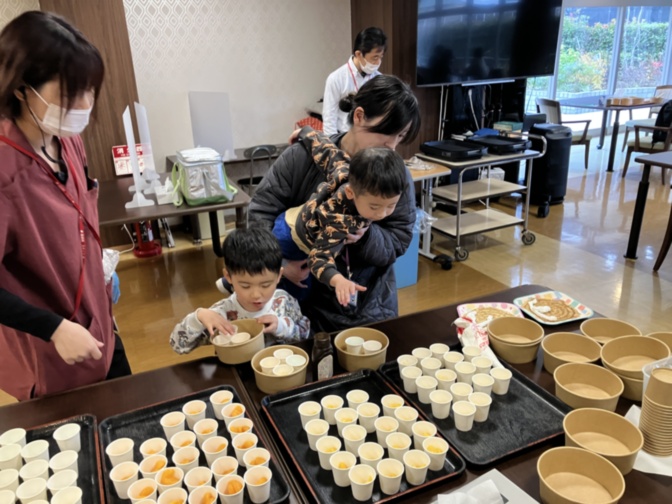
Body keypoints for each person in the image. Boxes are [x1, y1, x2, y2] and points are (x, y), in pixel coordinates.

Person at [0, 11, 131, 400]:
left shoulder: (66, 139)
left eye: (89, 90)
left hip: (99, 320)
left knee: (129, 406)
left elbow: (74, 211)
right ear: (22, 89)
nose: (85, 104)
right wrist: (53, 327)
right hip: (49, 347)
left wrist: (96, 268)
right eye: (71, 94)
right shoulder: (6, 171)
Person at [250, 75, 421, 332]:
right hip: (299, 303)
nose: (392, 147)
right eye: (387, 135)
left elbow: (399, 238)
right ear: (359, 116)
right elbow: (260, 214)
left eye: (401, 136)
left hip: (365, 303)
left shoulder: (393, 173)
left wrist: (365, 236)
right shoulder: (303, 157)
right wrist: (279, 266)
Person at [273, 126, 408, 307]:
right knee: (299, 290)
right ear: (351, 193)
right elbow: (318, 258)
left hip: (294, 216)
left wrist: (305, 132)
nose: (382, 214)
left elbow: (326, 150)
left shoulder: (346, 170)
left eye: (391, 205)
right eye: (374, 207)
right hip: (290, 237)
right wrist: (338, 280)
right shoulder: (341, 221)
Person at [170, 228, 311, 354]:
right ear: (228, 277)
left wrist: (281, 326)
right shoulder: (221, 314)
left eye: (265, 285)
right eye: (245, 286)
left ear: (279, 275)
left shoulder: (284, 301)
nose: (256, 295)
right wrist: (199, 317)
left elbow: (305, 334)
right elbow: (178, 346)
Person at [322, 27, 387, 136]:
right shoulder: (336, 78)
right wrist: (333, 143)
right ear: (358, 54)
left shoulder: (380, 79)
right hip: (344, 137)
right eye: (375, 57)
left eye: (381, 57)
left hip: (371, 137)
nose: (378, 62)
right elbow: (329, 118)